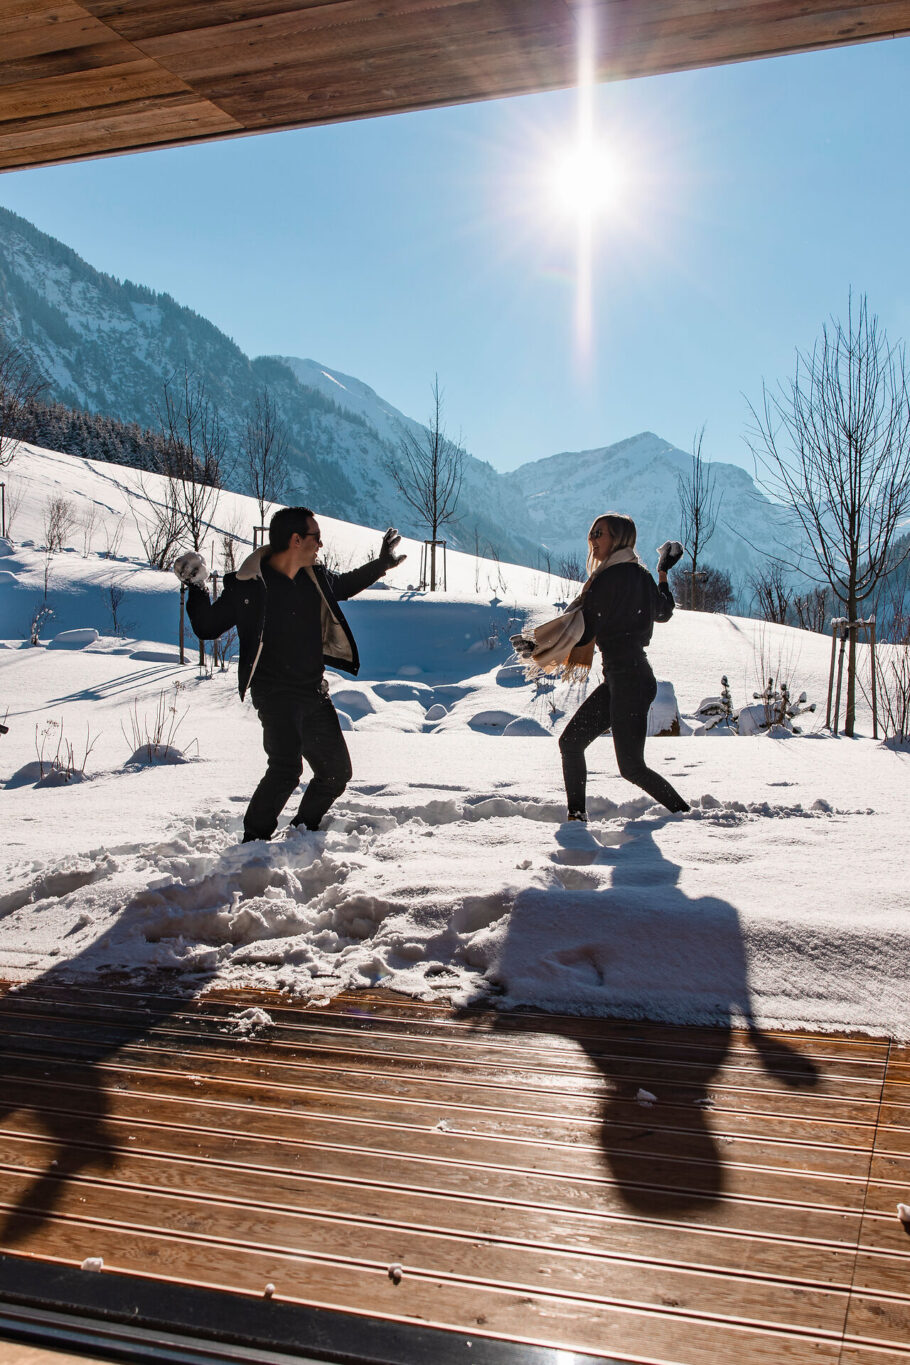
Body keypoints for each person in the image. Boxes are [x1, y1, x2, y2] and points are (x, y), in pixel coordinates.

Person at [174, 507, 405, 843]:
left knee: (335, 773)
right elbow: (207, 627)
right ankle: (254, 842)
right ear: (296, 540)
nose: (321, 544)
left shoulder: (315, 578)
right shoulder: (249, 586)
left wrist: (381, 564)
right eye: (315, 537)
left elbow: (345, 584)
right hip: (274, 694)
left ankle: (301, 833)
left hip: (313, 691)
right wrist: (196, 587)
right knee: (285, 771)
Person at [512, 513, 689, 820]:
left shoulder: (608, 579)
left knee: (631, 767)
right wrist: (662, 573)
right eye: (591, 533)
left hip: (628, 681)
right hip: (627, 679)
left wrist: (537, 645)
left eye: (599, 534)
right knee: (571, 744)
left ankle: (685, 814)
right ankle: (576, 819)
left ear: (618, 538)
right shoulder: (639, 575)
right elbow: (663, 612)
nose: (592, 539)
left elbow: (581, 624)